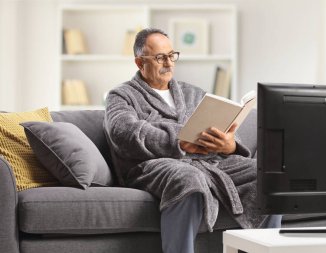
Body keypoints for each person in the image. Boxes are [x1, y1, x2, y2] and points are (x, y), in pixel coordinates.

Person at [103, 28, 281, 253]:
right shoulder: (122, 95)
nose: (168, 63)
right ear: (140, 63)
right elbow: (123, 132)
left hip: (209, 162)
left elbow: (219, 129)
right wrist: (178, 140)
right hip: (152, 165)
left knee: (270, 176)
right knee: (188, 178)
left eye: (172, 55)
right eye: (160, 58)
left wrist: (229, 145)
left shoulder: (192, 93)